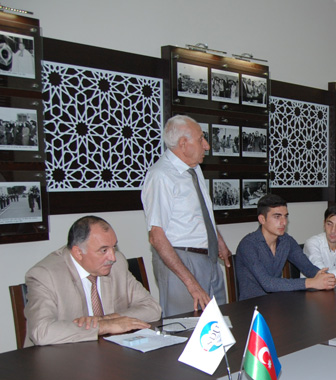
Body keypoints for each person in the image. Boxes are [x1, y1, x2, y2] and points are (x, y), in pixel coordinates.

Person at [142, 115, 232, 316]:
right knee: (186, 326)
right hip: (180, 260)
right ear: (183, 144)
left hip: (208, 257)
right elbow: (156, 236)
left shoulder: (194, 168)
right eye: (201, 139)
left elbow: (200, 213)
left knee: (218, 322)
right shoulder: (161, 176)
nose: (206, 146)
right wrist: (191, 283)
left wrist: (218, 240)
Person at [24, 216, 162, 347]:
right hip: (59, 358)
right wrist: (103, 327)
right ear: (78, 253)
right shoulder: (45, 275)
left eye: (114, 247)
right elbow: (41, 332)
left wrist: (111, 319)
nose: (112, 257)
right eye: (104, 250)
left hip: (108, 352)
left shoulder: (117, 264)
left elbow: (152, 308)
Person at [235, 194, 335, 299]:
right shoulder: (248, 245)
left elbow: (307, 267)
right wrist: (311, 282)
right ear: (262, 219)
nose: (284, 222)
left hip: (276, 302)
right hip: (252, 305)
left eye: (285, 216)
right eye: (277, 217)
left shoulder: (286, 240)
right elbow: (268, 283)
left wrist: (323, 276)